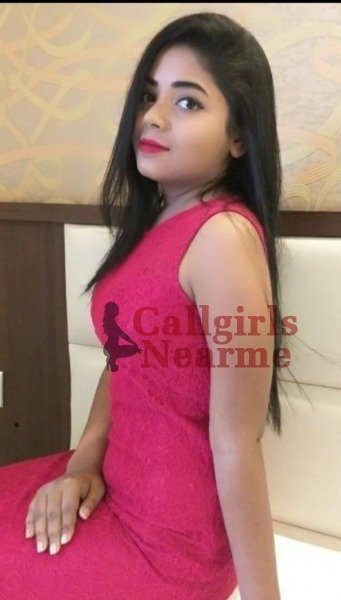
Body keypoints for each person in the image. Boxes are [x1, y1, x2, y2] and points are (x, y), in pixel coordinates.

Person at [0, 12, 286, 600]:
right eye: (148, 96)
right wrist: (82, 466)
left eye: (187, 102)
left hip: (170, 545)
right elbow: (123, 360)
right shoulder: (155, 223)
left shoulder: (223, 238)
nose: (152, 116)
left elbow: (237, 444)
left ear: (239, 137)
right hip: (113, 489)